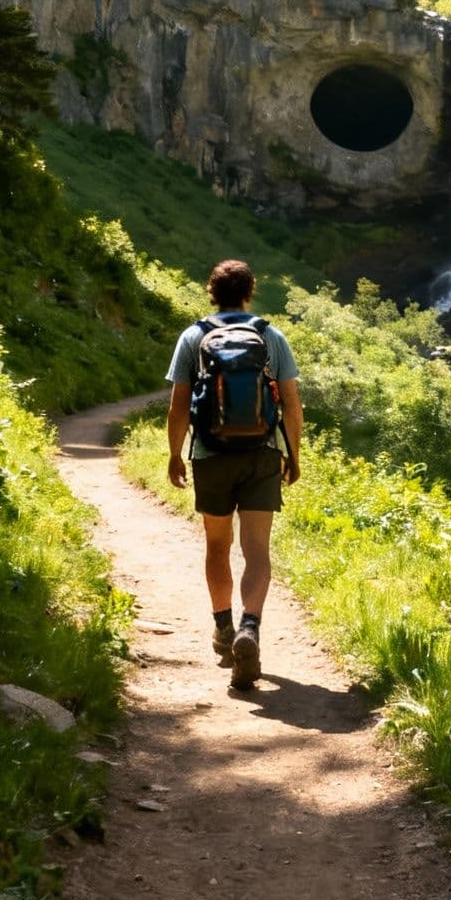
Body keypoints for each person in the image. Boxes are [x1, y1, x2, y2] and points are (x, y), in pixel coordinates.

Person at [165, 260, 304, 690]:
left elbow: (177, 405)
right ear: (249, 292)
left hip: (210, 454)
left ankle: (224, 630)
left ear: (211, 290)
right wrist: (293, 455)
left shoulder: (193, 337)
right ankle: (251, 628)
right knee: (257, 548)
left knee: (217, 544)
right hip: (262, 452)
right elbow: (293, 405)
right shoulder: (269, 335)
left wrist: (175, 454)